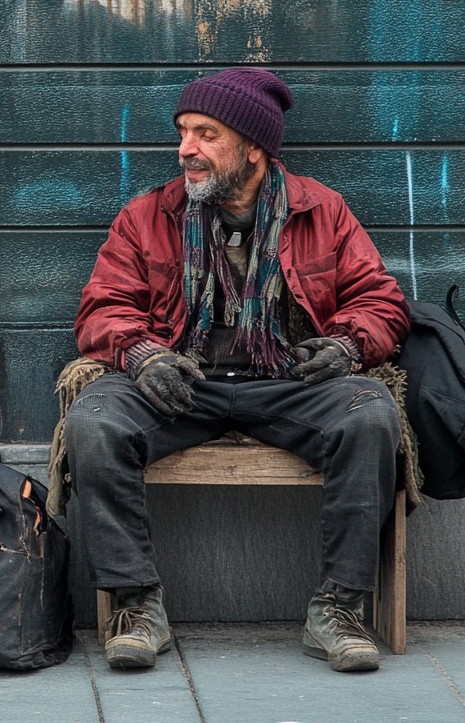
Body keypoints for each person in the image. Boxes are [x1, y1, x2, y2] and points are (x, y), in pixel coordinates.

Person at [63, 67, 410, 673]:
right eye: (182, 132)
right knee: (95, 420)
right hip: (184, 383)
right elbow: (103, 306)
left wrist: (349, 346)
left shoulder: (321, 211)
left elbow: (380, 300)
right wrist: (143, 356)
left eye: (205, 134)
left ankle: (340, 608)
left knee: (370, 415)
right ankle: (136, 603)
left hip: (286, 381)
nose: (185, 149)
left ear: (254, 148)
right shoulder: (148, 216)